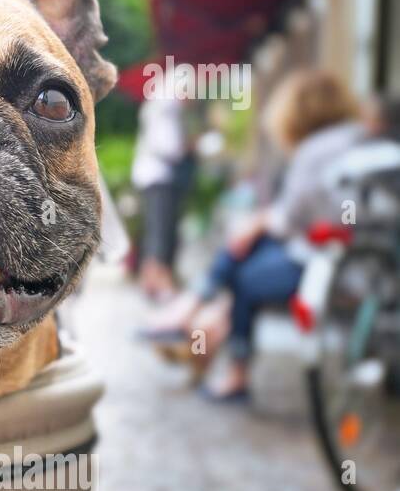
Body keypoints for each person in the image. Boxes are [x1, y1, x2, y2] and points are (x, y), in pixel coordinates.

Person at [142, 70, 366, 400]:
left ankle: (225, 356)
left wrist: (258, 223)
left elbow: (289, 220)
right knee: (248, 245)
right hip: (356, 257)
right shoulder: (357, 138)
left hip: (334, 264)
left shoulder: (315, 150)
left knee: (245, 271)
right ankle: (199, 319)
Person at [132, 73, 193, 300]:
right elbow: (170, 147)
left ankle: (150, 281)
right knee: (161, 231)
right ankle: (160, 281)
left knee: (154, 230)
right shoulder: (167, 110)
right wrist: (189, 147)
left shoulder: (156, 106)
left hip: (149, 176)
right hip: (160, 177)